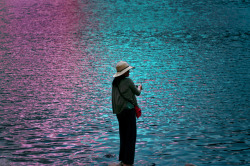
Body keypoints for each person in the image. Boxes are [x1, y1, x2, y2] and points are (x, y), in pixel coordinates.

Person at [112, 61, 142, 166]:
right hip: (129, 112)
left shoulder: (115, 82)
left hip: (119, 113)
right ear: (123, 72)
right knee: (131, 136)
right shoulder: (128, 81)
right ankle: (128, 163)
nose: (129, 71)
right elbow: (137, 93)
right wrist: (139, 87)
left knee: (123, 136)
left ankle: (123, 160)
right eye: (127, 70)